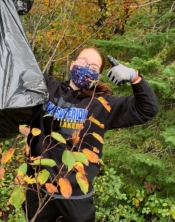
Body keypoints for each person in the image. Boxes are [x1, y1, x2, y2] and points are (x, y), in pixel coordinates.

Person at [25, 46, 159, 222]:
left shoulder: (102, 105)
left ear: (98, 76)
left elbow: (147, 110)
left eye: (93, 67)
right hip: (38, 190)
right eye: (82, 61)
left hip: (75, 198)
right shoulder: (48, 88)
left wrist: (135, 77)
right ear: (72, 64)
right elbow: (20, 68)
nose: (86, 67)